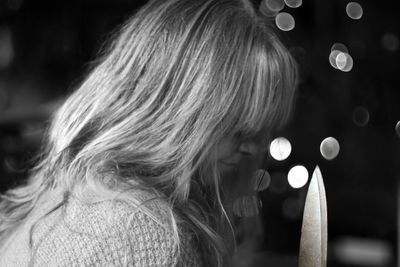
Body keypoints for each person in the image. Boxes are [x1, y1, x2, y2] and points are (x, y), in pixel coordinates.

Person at [0, 0, 297, 266]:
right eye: (239, 128)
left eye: (259, 131)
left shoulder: (76, 195)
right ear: (180, 108)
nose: (250, 148)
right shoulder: (140, 232)